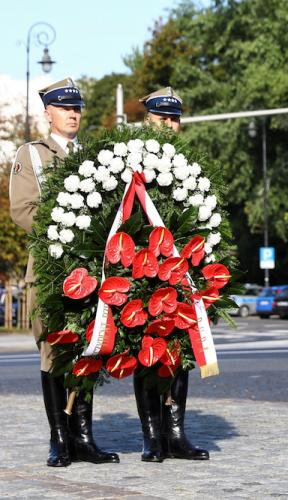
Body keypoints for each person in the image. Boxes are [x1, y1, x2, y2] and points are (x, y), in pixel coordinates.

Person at [9, 78, 119, 467]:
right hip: (52, 268)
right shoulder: (32, 155)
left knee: (89, 348)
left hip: (92, 268)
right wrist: (69, 224)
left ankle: (84, 437)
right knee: (55, 350)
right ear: (48, 113)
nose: (73, 113)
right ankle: (59, 438)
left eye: (77, 108)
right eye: (64, 107)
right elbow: (21, 209)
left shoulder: (94, 155)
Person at [133, 86, 210, 462]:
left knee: (180, 354)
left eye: (174, 119)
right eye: (162, 117)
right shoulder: (128, 162)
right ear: (147, 119)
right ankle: (152, 436)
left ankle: (175, 434)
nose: (169, 124)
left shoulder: (190, 164)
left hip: (181, 272)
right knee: (146, 353)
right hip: (142, 271)